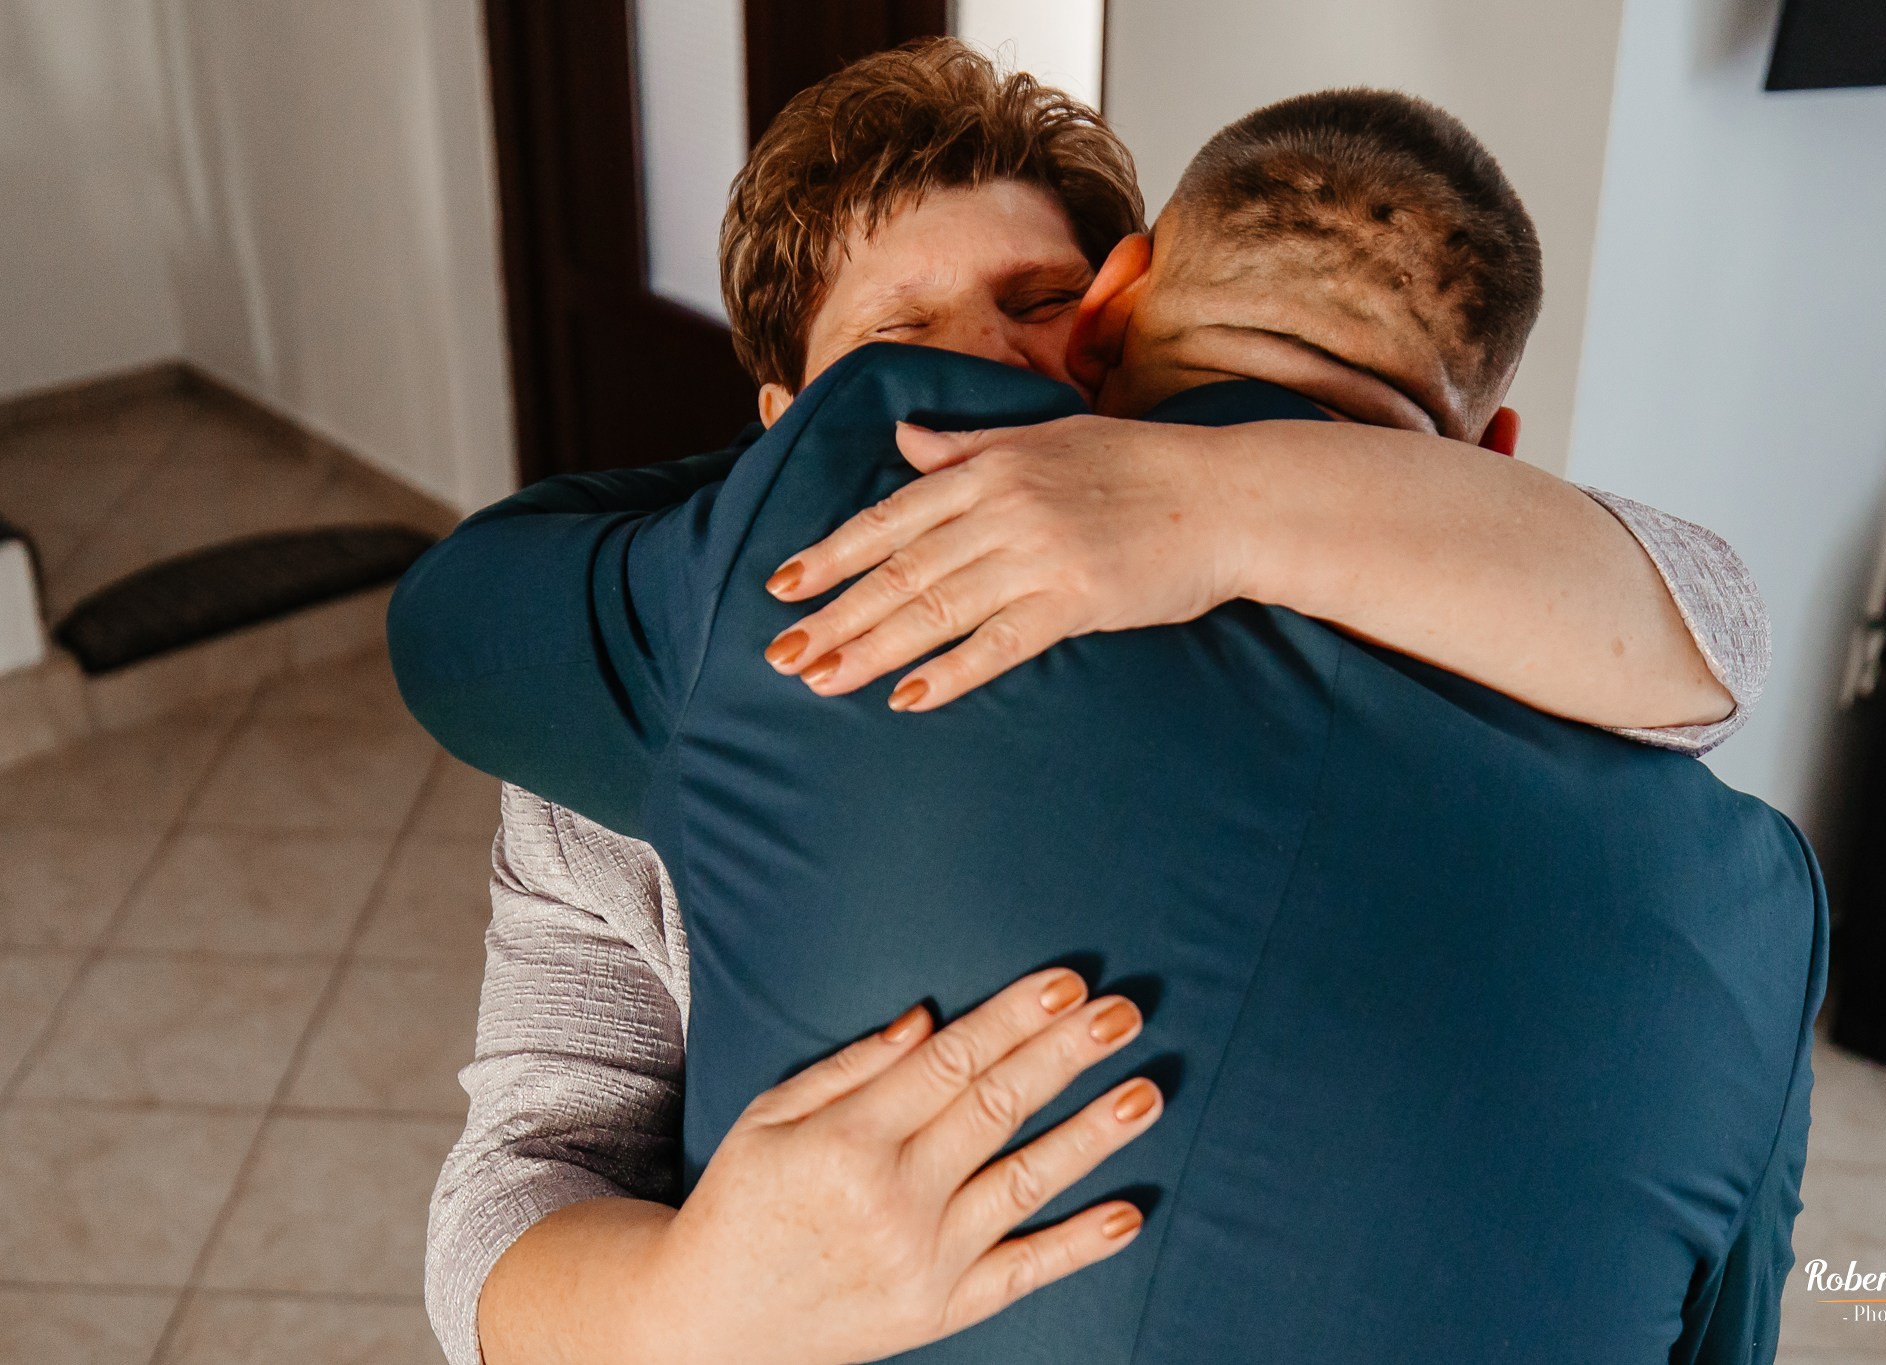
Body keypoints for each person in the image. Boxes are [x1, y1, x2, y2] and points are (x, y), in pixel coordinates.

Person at [398, 45, 1783, 1365]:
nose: (988, 371)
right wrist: (682, 1306)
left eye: (1037, 304)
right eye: (896, 349)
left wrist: (1231, 499)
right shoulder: (724, 638)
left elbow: (1719, 618)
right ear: (783, 435)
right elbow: (513, 1186)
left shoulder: (1466, 597)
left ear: (1116, 320)